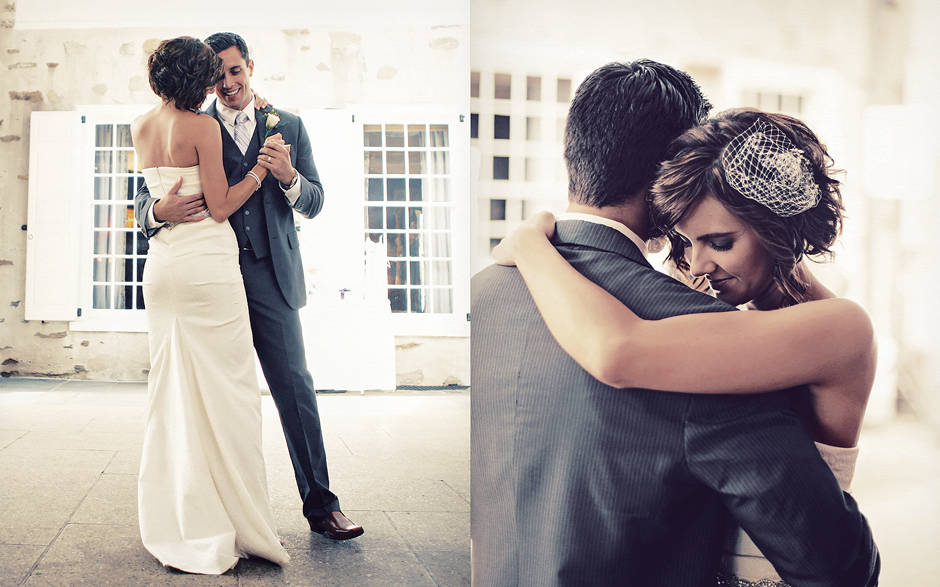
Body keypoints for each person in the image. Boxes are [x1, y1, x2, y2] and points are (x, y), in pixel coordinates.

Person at [471, 60, 880, 587]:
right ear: (665, 177)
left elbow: (618, 349)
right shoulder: (700, 321)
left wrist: (530, 243)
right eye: (690, 240)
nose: (701, 261)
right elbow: (841, 566)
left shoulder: (487, 292)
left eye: (719, 240)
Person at [135, 32, 363, 542]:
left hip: (269, 277)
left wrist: (288, 177)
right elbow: (143, 197)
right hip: (209, 278)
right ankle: (220, 514)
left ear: (250, 67)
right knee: (217, 397)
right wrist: (156, 211)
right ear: (205, 79)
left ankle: (322, 507)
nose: (228, 82)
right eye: (217, 74)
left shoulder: (290, 127)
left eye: (235, 71)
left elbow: (316, 201)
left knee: (295, 389)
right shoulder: (190, 121)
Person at [132, 36, 289, 574]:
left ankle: (175, 515)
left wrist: (159, 209)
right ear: (199, 79)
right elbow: (220, 206)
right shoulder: (202, 127)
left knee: (172, 394)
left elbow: (158, 191)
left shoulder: (141, 126)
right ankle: (233, 519)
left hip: (164, 272)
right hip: (205, 271)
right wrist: (260, 172)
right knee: (231, 396)